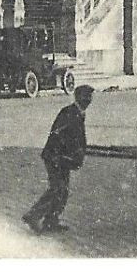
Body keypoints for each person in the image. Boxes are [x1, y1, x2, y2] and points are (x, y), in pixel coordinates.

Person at [23, 84, 95, 234]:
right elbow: (57, 135)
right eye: (87, 97)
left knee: (63, 190)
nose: (89, 100)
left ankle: (51, 221)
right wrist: (62, 155)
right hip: (55, 157)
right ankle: (33, 215)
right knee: (58, 189)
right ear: (79, 98)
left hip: (63, 158)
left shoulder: (78, 112)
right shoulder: (69, 113)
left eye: (90, 97)